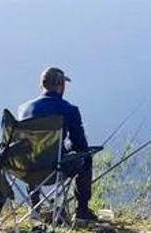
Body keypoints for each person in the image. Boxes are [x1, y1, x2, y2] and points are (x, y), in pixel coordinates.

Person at [17, 67, 97, 222]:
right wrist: (70, 146)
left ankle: (34, 205)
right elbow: (80, 145)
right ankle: (82, 211)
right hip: (54, 168)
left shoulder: (24, 109)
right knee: (86, 157)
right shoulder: (69, 110)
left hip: (27, 169)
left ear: (42, 85)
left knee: (33, 153)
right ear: (61, 86)